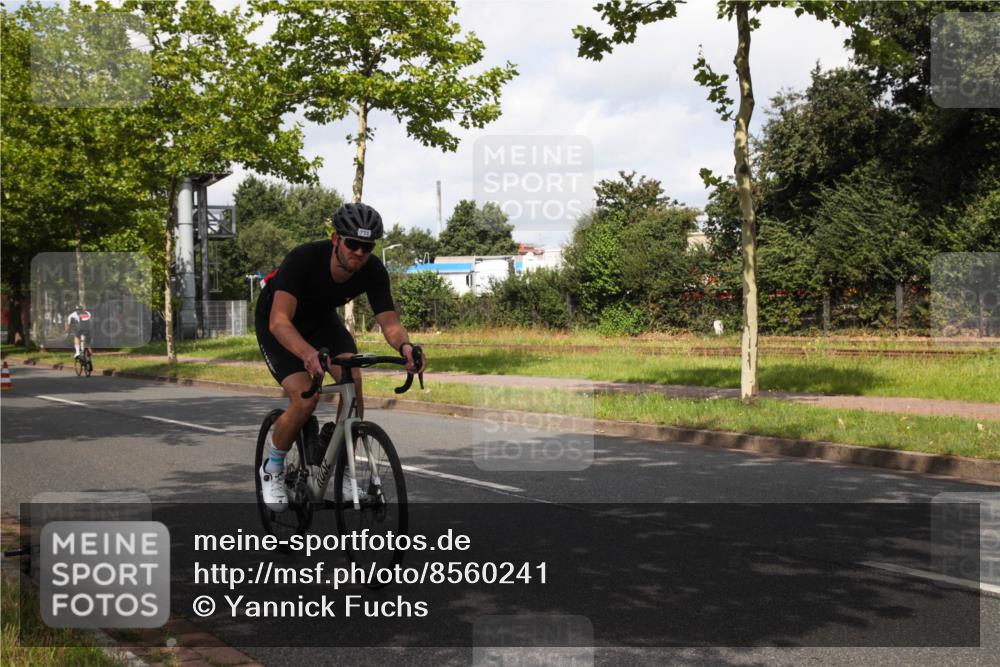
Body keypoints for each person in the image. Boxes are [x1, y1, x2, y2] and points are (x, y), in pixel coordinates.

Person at [255, 202, 426, 512]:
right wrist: (306, 353)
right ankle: (273, 467)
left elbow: (390, 322)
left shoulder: (372, 269)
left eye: (368, 246)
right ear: (336, 239)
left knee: (353, 384)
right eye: (353, 243)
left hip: (322, 322)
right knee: (306, 398)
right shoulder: (303, 259)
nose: (360, 252)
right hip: (280, 323)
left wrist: (405, 347)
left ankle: (344, 471)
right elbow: (279, 322)